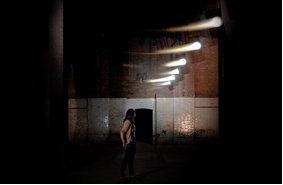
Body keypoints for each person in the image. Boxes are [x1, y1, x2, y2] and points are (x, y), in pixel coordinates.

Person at [119, 109, 138, 181]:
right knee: (126, 159)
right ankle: (121, 175)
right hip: (129, 144)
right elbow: (122, 132)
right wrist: (124, 142)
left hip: (133, 143)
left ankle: (132, 175)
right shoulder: (127, 121)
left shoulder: (132, 122)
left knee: (131, 160)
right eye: (134, 113)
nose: (135, 115)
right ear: (131, 114)